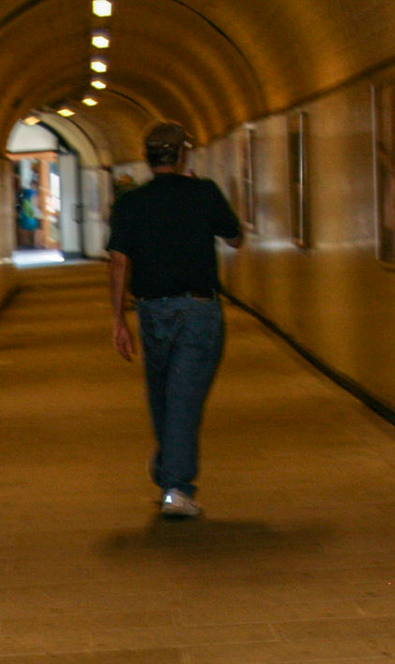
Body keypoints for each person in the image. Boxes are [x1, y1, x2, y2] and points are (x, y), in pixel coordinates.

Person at [107, 121, 243, 519]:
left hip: (151, 309)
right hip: (199, 309)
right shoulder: (203, 193)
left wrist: (117, 320)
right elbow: (234, 237)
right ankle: (176, 488)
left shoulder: (131, 203)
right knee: (184, 398)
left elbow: (118, 262)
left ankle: (170, 463)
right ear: (182, 156)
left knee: (162, 391)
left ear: (148, 159)